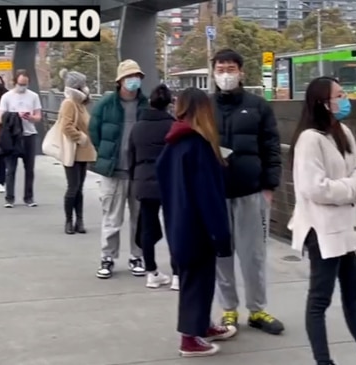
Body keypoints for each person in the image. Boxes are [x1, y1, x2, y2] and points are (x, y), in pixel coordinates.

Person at [288, 77, 356, 365]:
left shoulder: (342, 131)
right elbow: (315, 188)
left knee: (354, 295)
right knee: (320, 299)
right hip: (321, 230)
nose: (345, 99)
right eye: (339, 95)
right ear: (323, 102)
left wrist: (350, 187)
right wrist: (352, 190)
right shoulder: (310, 138)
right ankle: (324, 361)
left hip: (348, 228)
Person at [156, 87, 236, 357]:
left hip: (178, 220)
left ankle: (202, 324)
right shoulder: (200, 146)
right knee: (196, 280)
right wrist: (221, 234)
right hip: (198, 226)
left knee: (198, 278)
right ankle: (189, 337)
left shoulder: (172, 144)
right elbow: (208, 195)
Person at [210, 49, 284, 334]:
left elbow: (271, 147)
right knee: (222, 255)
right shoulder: (205, 107)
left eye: (231, 68)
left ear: (241, 72)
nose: (226, 74)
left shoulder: (258, 106)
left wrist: (269, 185)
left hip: (251, 192)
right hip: (216, 194)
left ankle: (257, 310)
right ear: (214, 72)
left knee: (253, 255)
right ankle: (229, 309)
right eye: (221, 69)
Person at [89, 59, 149, 279]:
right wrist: (105, 155)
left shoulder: (146, 105)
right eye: (129, 77)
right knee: (112, 218)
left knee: (139, 217)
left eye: (137, 77)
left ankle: (137, 256)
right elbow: (93, 132)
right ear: (120, 80)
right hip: (113, 171)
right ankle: (107, 257)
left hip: (139, 172)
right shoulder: (105, 105)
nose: (134, 81)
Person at [128, 84, 178, 290]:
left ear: (150, 102)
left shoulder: (138, 127)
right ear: (170, 104)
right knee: (174, 228)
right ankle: (177, 275)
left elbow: (130, 156)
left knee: (147, 228)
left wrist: (135, 179)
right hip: (170, 182)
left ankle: (152, 272)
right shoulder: (174, 126)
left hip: (143, 179)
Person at [57, 69, 97, 234]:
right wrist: (81, 137)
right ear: (77, 87)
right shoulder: (69, 103)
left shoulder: (80, 104)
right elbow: (66, 126)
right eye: (83, 85)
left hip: (83, 152)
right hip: (73, 151)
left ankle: (79, 220)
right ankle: (69, 221)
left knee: (79, 187)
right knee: (73, 187)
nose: (86, 87)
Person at [0, 69, 43, 208]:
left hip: (29, 135)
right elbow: (0, 118)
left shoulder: (34, 96)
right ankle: (9, 198)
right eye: (21, 83)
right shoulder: (7, 97)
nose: (23, 86)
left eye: (25, 84)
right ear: (15, 82)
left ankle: (28, 197)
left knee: (29, 168)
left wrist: (30, 117)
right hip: (12, 137)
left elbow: (38, 117)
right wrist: (14, 116)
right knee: (11, 169)